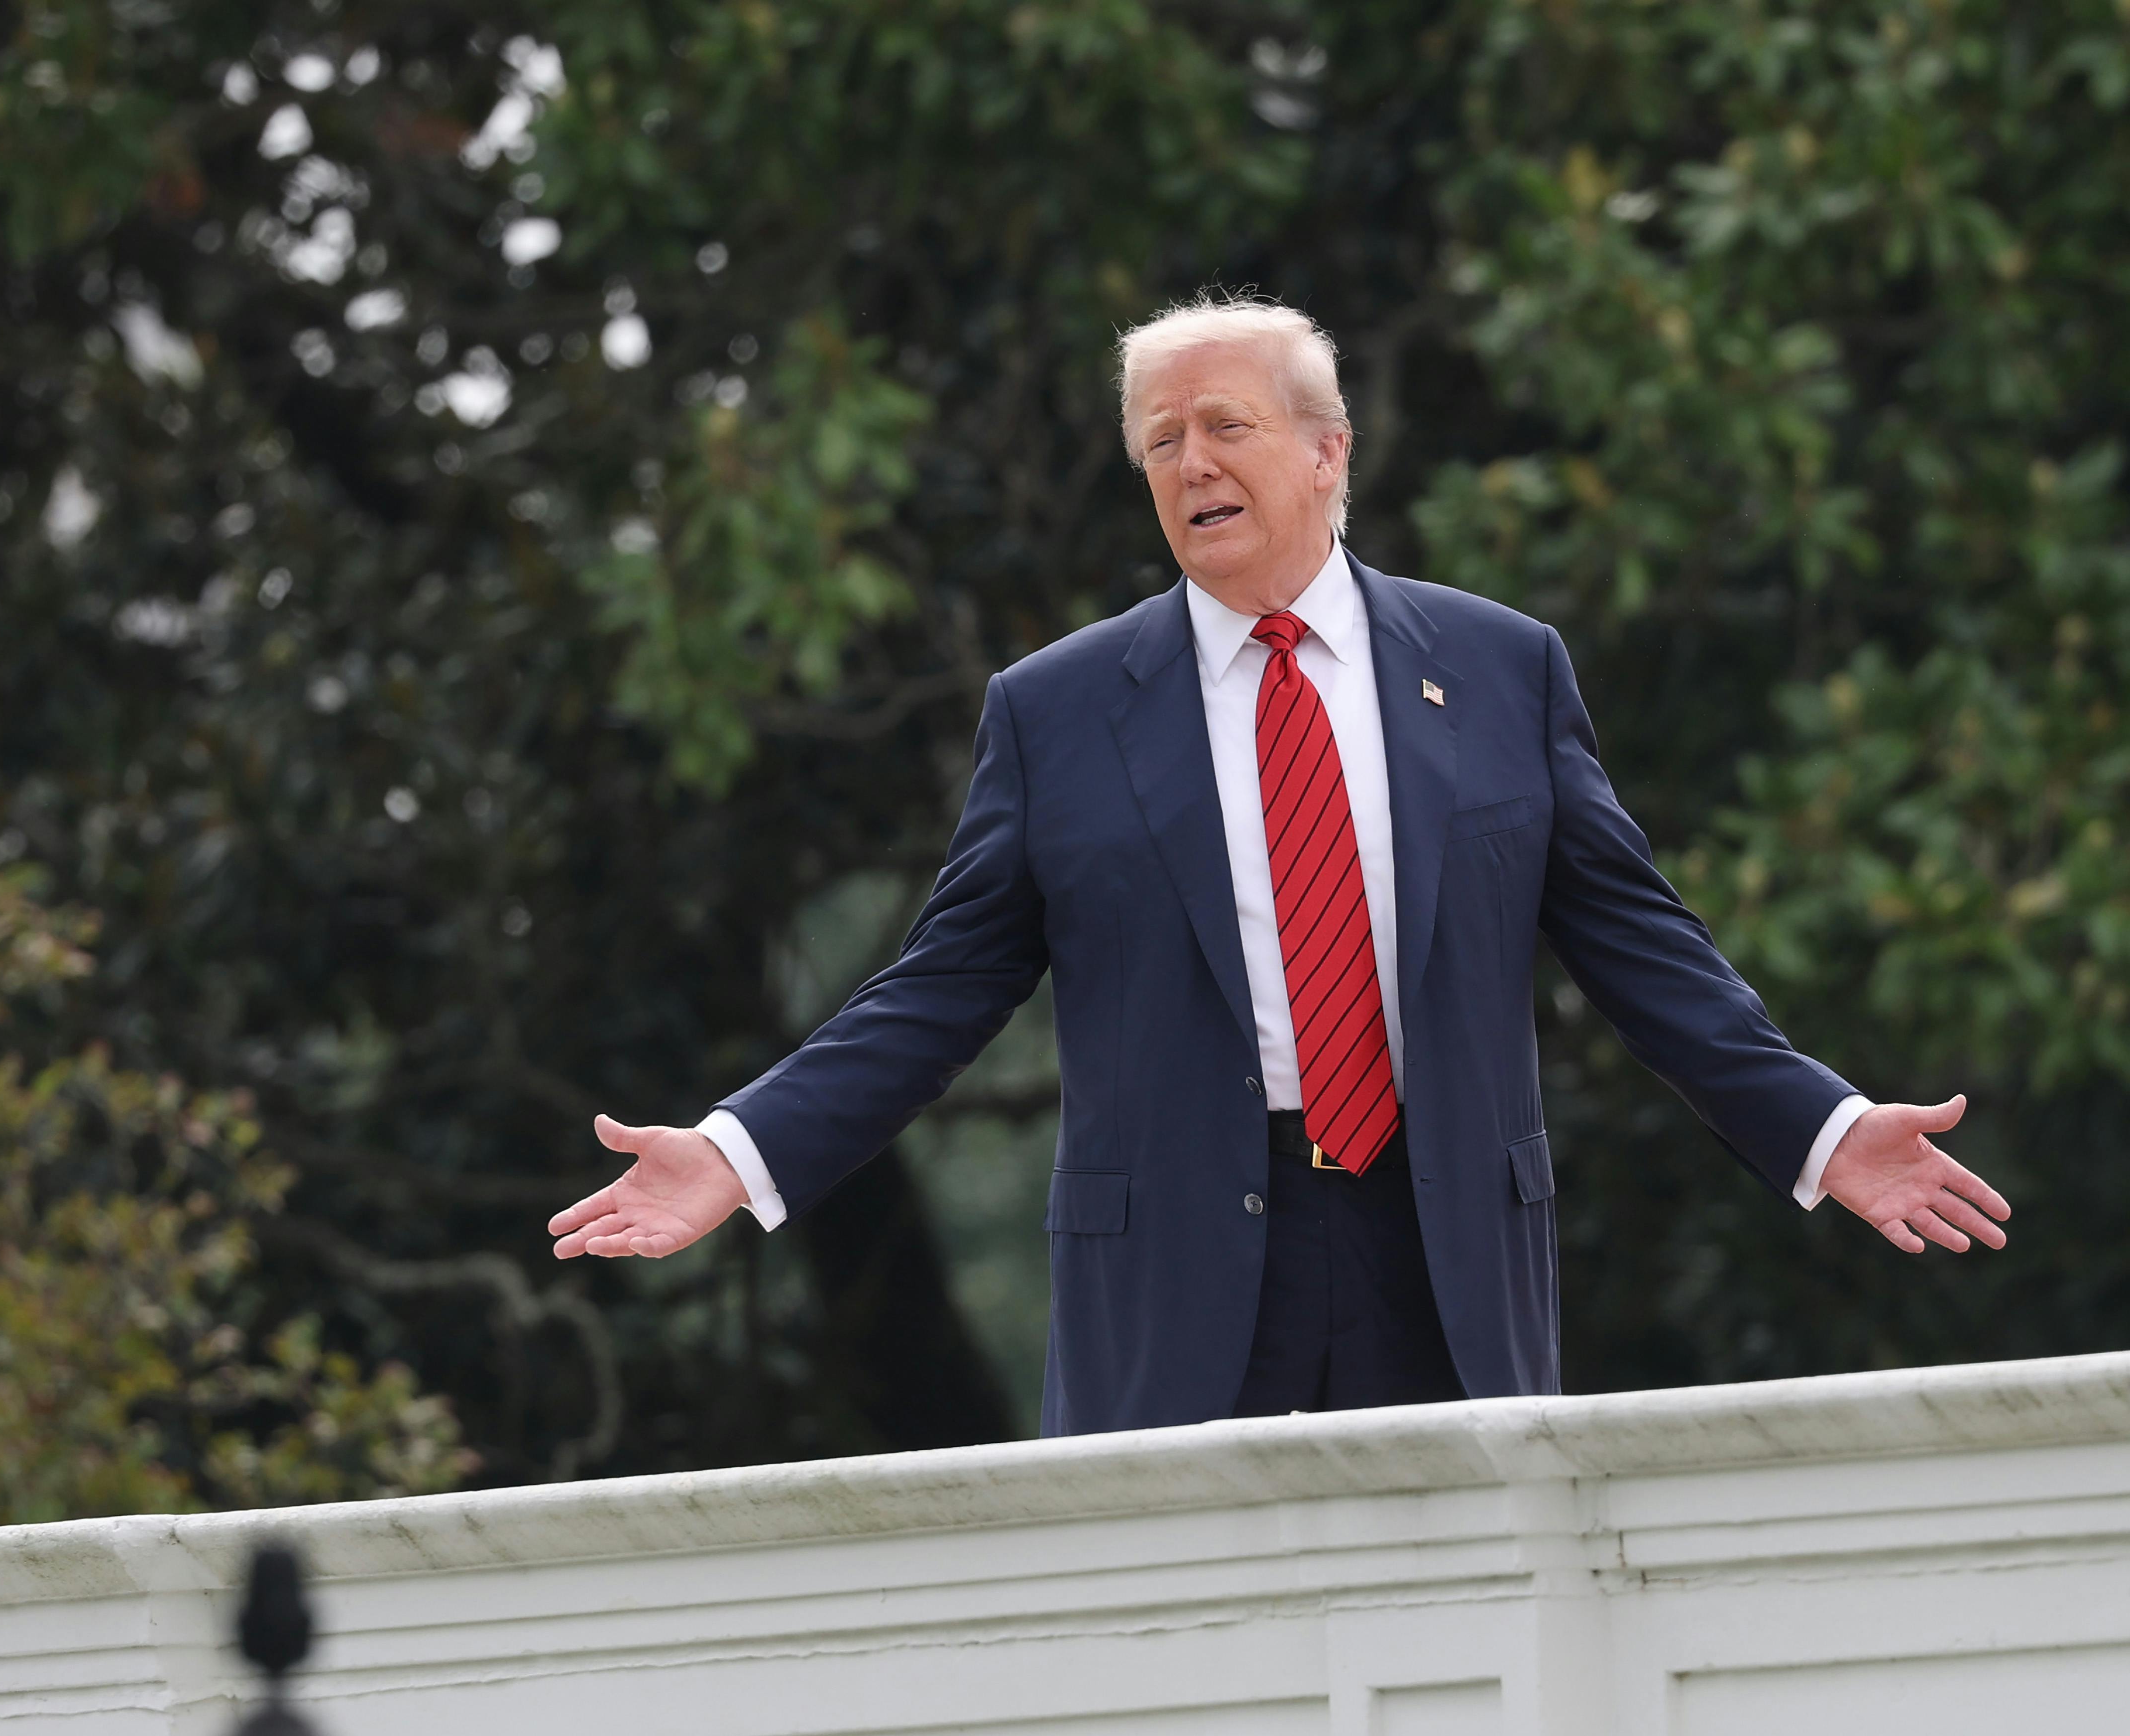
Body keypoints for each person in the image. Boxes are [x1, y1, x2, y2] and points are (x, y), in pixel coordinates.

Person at [549, 299, 2011, 1435]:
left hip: (1437, 1233)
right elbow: (941, 988)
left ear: (1328, 452)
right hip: (1182, 1246)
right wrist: (738, 1158)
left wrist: (1824, 1129)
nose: (1190, 465)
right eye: (1160, 444)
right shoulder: (1056, 712)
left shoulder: (1501, 671)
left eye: (1224, 427)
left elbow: (1642, 950)